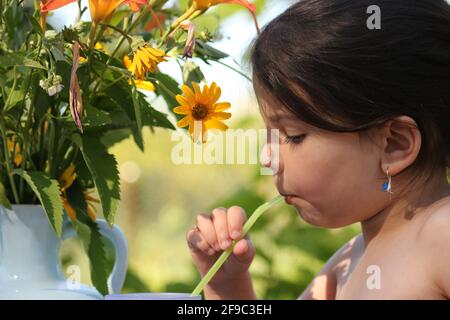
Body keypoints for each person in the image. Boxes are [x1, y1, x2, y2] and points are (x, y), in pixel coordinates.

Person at [186, 0, 450, 299]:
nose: (267, 158)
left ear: (394, 145)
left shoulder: (442, 235)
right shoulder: (345, 264)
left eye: (294, 135)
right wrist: (227, 285)